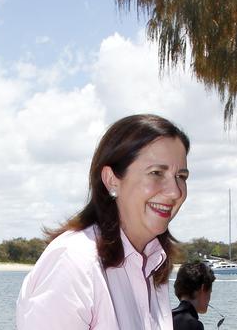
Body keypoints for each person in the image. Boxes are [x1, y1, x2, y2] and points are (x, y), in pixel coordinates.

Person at [16, 114, 190, 329]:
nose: (175, 191)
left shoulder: (153, 264)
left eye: (181, 176)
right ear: (111, 180)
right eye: (156, 173)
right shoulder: (74, 263)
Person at [172, 262, 216, 330]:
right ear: (203, 288)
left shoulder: (166, 318)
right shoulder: (193, 325)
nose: (209, 299)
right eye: (210, 292)